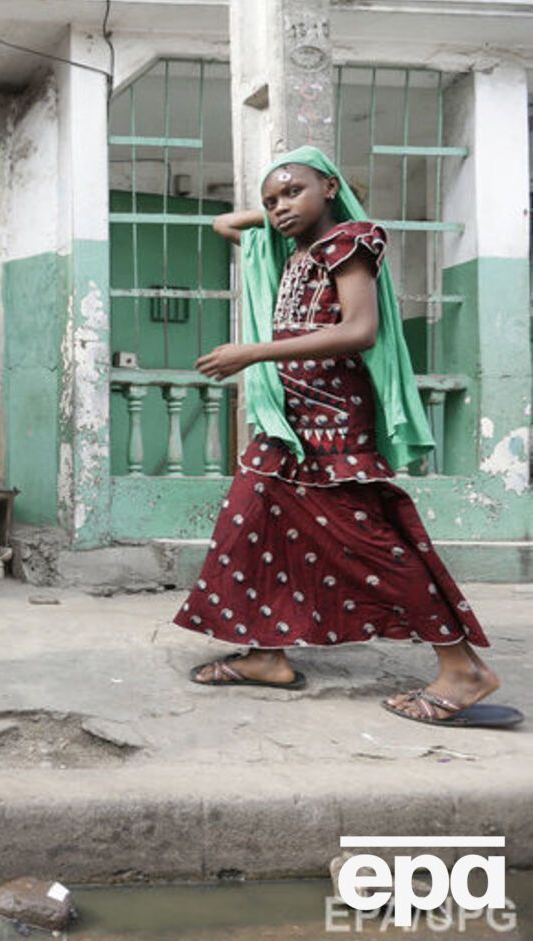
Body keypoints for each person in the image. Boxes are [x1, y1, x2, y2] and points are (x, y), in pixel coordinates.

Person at [179, 145, 517, 729]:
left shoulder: (350, 242)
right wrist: (280, 213)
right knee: (249, 525)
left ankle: (462, 668)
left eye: (294, 192)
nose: (280, 208)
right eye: (272, 200)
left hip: (332, 425)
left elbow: (360, 330)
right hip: (289, 425)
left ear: (331, 187)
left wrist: (253, 352)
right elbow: (225, 223)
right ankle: (266, 653)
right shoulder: (293, 248)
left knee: (373, 546)